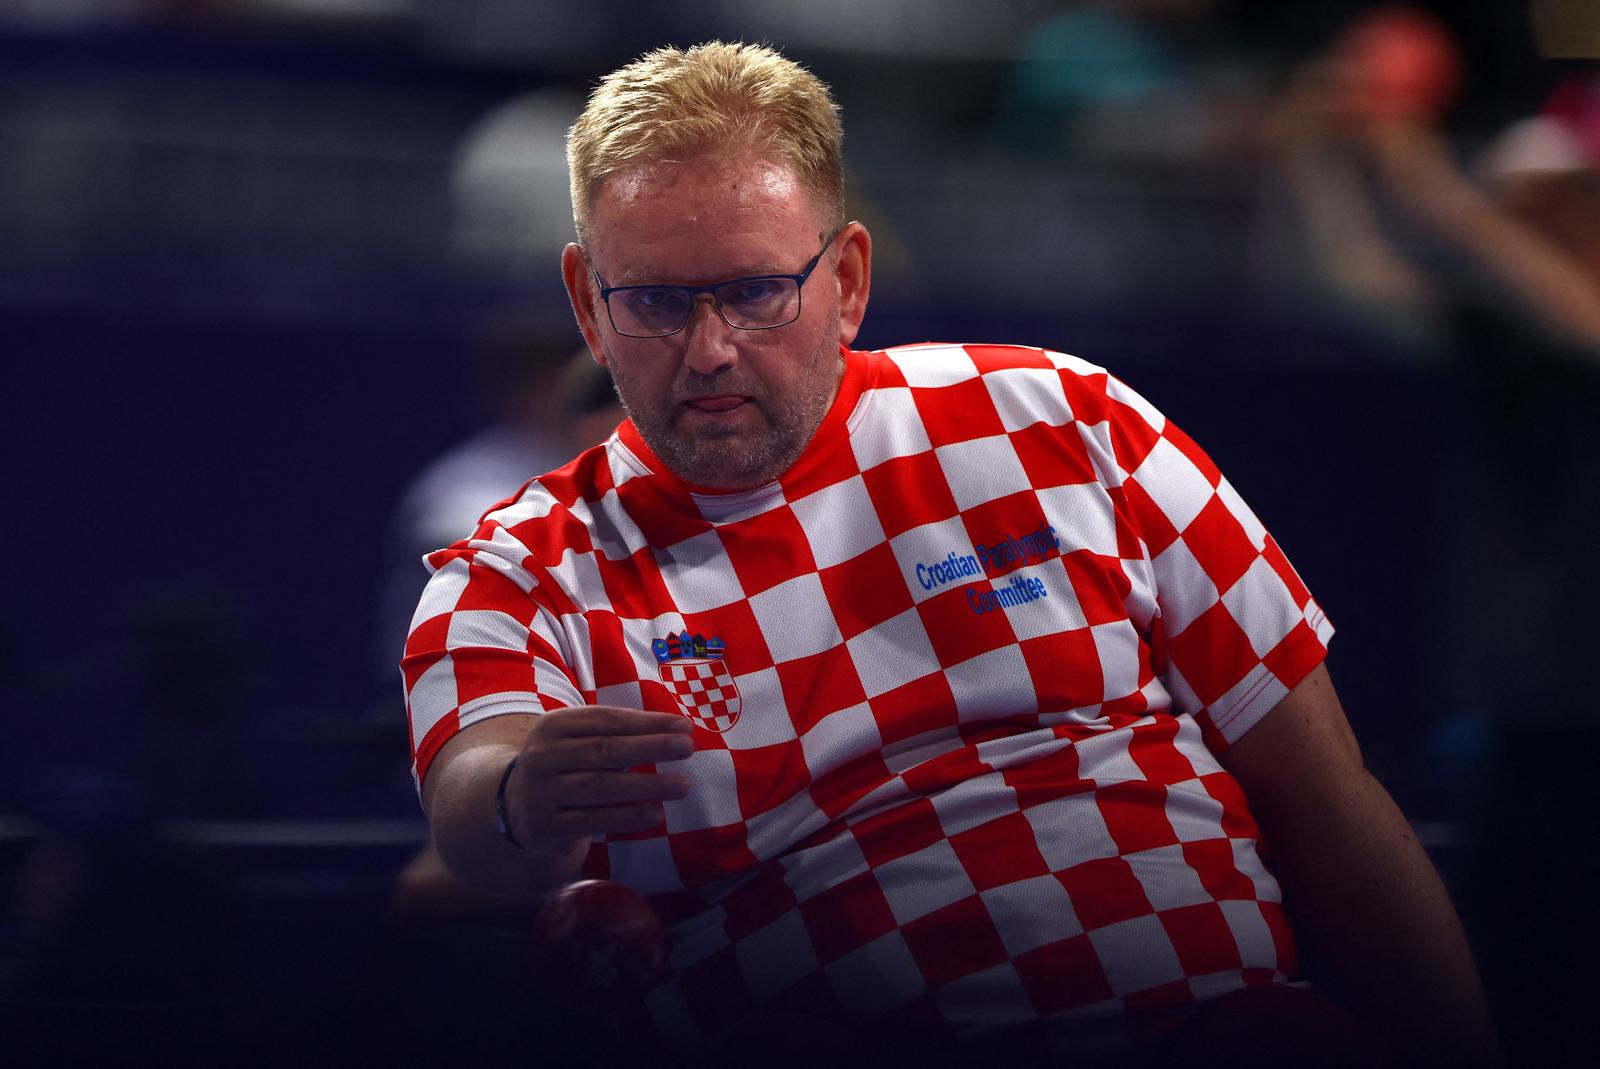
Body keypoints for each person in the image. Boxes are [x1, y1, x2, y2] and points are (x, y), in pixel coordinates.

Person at [403, 41, 1496, 1066]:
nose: (709, 350)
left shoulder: (1065, 417)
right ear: (586, 308)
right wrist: (518, 799)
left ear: (849, 280)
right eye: (652, 302)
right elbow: (473, 800)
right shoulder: (514, 569)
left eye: (752, 291)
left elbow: (1330, 803)